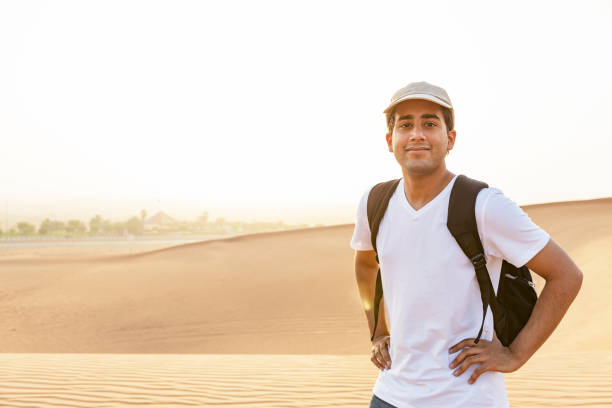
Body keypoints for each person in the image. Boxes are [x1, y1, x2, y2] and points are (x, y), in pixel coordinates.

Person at [351, 81, 583, 408]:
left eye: (430, 123)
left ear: (450, 139)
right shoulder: (374, 202)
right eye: (405, 125)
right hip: (390, 395)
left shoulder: (484, 205)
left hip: (466, 396)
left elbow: (567, 275)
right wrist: (377, 331)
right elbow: (365, 264)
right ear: (391, 141)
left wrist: (516, 354)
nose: (417, 134)